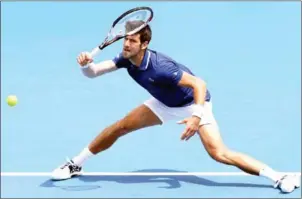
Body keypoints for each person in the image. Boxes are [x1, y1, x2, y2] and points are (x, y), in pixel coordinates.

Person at [51, 21, 300, 193]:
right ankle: (75, 164)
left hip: (193, 103)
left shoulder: (161, 67)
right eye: (125, 39)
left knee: (219, 154)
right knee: (120, 127)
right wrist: (85, 64)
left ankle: (280, 177)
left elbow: (199, 84)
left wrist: (197, 116)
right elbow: (94, 73)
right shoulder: (126, 59)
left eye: (132, 40)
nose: (126, 45)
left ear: (144, 44)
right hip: (163, 103)